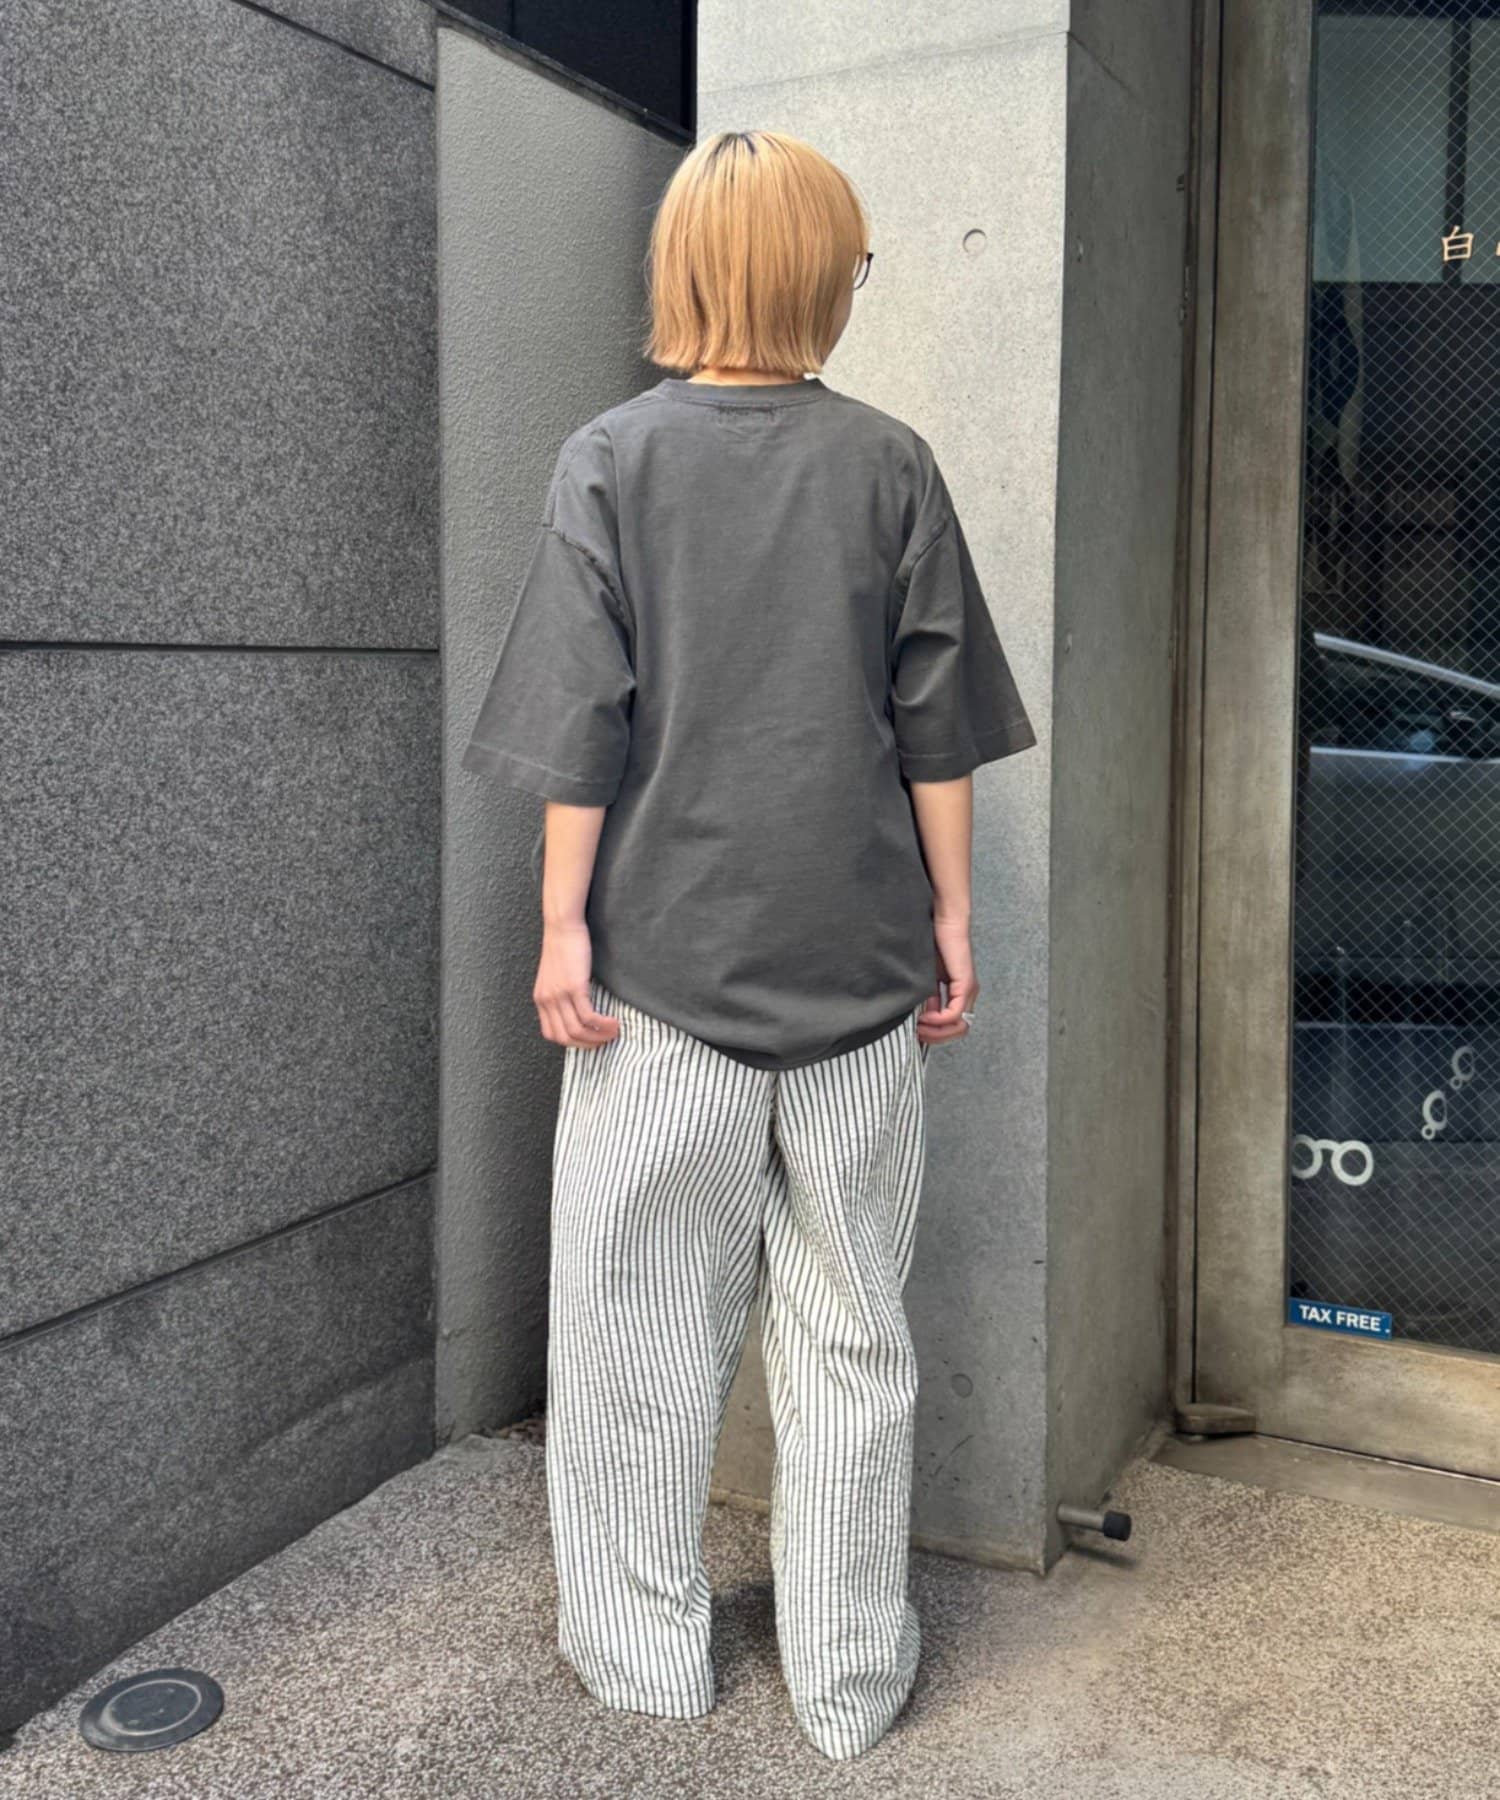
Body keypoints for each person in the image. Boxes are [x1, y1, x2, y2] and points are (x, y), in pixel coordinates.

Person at [461, 127, 1036, 1762]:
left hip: (657, 988)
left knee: (638, 1339)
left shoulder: (610, 462)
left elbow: (582, 725)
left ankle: (646, 1657)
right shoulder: (892, 466)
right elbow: (934, 729)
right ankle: (850, 1679)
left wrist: (560, 929)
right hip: (858, 983)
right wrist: (950, 921)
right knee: (853, 1335)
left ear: (690, 272)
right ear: (819, 280)